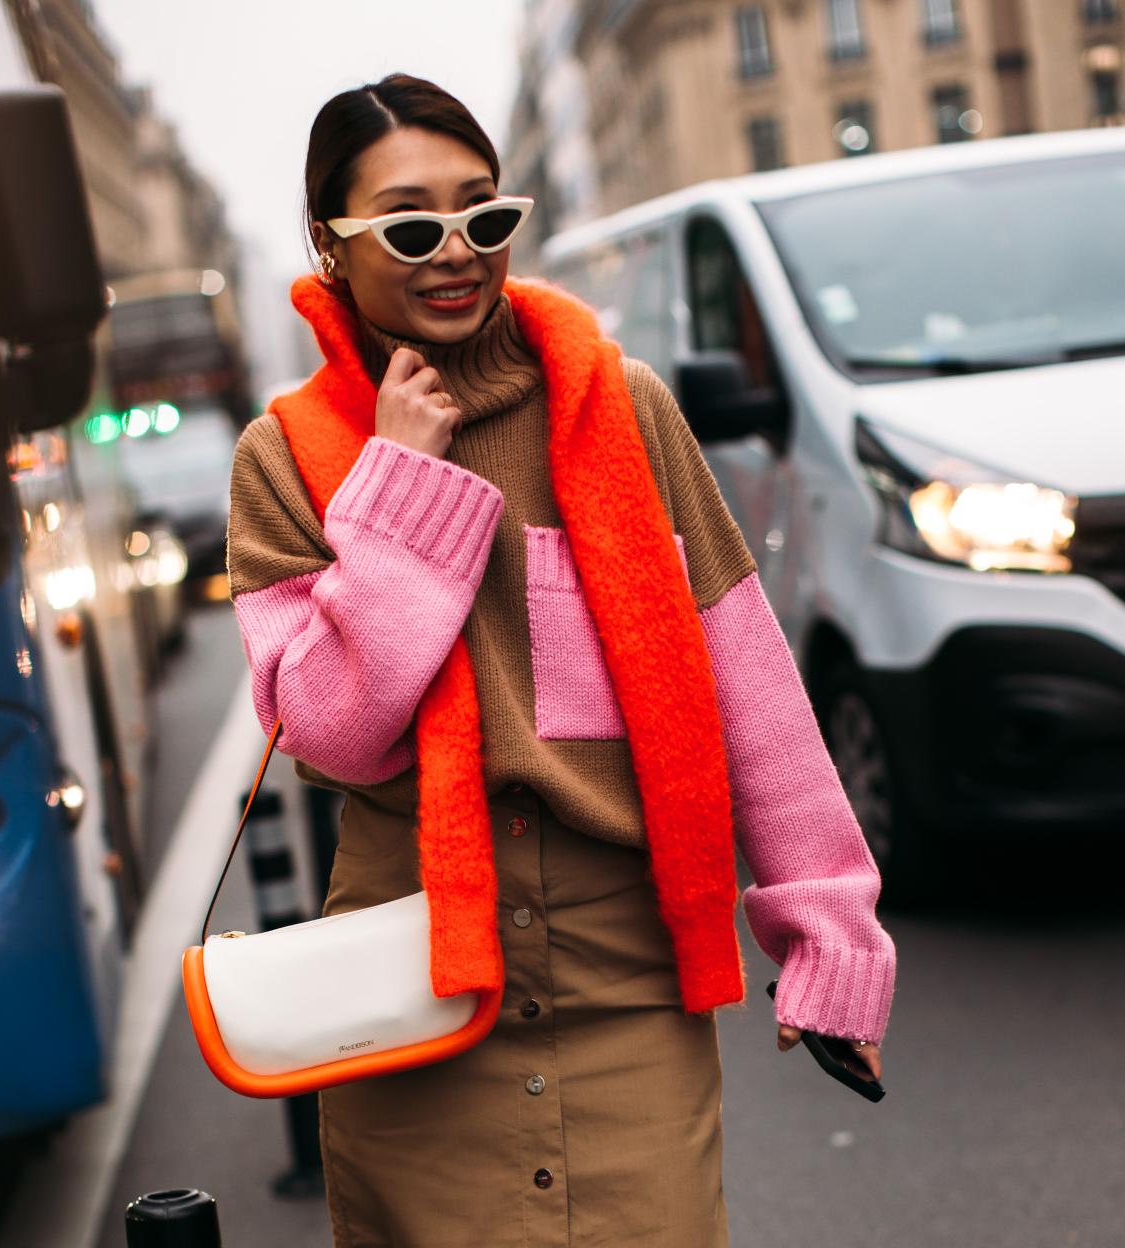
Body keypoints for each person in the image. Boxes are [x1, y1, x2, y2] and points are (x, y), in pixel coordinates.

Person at [226, 72, 897, 1248]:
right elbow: (332, 735)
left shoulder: (620, 408)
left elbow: (746, 677)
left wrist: (827, 933)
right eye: (412, 224)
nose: (457, 253)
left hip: (624, 974)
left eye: (485, 216)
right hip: (409, 979)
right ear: (329, 247)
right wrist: (402, 491)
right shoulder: (286, 457)